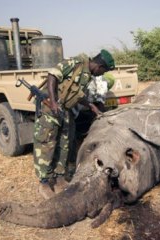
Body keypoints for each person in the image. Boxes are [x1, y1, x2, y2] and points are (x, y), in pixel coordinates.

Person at [34, 49, 115, 199]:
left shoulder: (87, 75)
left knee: (65, 145)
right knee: (47, 145)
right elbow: (52, 76)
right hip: (50, 109)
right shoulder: (75, 63)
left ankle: (59, 179)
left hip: (65, 111)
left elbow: (77, 94)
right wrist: (52, 102)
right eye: (103, 72)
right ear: (99, 66)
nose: (101, 75)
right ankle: (44, 183)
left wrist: (92, 107)